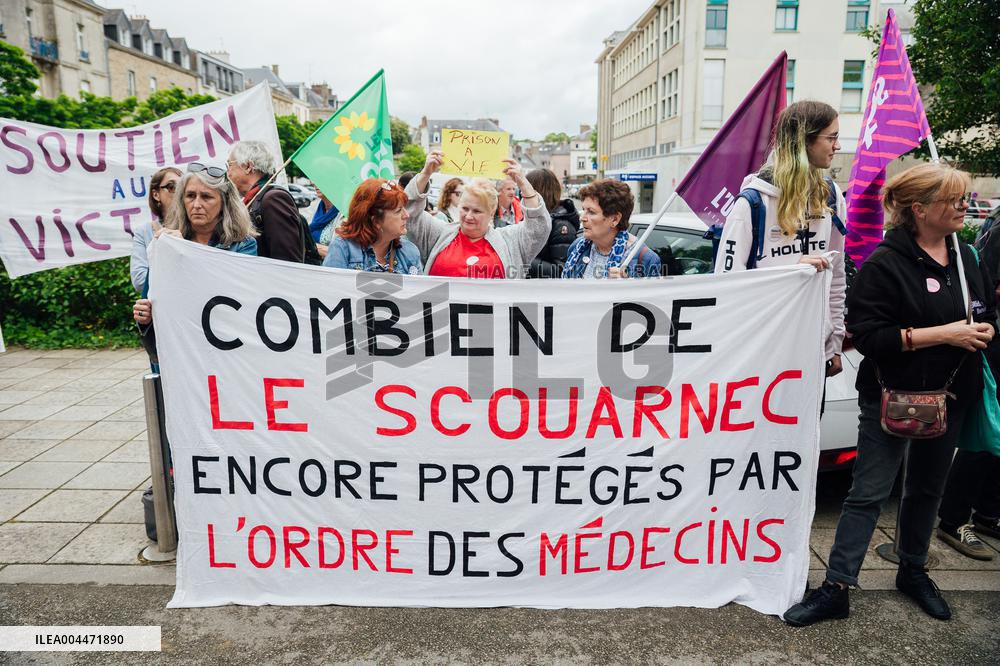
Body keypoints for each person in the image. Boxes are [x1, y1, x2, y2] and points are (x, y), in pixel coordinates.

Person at [783, 162, 997, 627]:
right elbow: (870, 336)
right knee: (869, 493)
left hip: (952, 395)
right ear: (919, 209)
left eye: (964, 198)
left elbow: (985, 310)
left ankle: (913, 571)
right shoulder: (885, 263)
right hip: (891, 396)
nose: (965, 206)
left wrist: (983, 327)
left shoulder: (967, 257)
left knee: (926, 489)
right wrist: (944, 334)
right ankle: (836, 585)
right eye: (953, 199)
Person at [715, 100, 847, 376]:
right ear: (804, 140)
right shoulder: (752, 202)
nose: (838, 146)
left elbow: (836, 275)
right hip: (761, 351)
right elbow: (726, 285)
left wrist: (834, 342)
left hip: (813, 351)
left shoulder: (831, 196)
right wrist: (794, 269)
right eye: (831, 137)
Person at [133, 163, 258, 370]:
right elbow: (150, 299)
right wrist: (144, 317)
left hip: (225, 358)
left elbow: (238, 298)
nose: (197, 204)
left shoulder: (243, 245)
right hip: (180, 359)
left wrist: (185, 253)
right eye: (190, 196)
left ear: (224, 203)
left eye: (206, 197)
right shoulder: (165, 242)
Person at [935, 208, 1000, 561]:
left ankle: (989, 512)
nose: (961, 207)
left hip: (987, 339)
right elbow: (983, 294)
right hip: (987, 350)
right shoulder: (994, 234)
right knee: (985, 430)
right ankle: (954, 518)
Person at [404, 151, 551, 279]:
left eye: (477, 211)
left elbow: (539, 228)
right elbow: (409, 214)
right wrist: (425, 173)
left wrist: (522, 182)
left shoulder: (510, 241)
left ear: (491, 211)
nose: (468, 216)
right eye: (465, 208)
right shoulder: (438, 234)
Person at [561, 179, 661, 278]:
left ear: (615, 219)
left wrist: (628, 286)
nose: (582, 218)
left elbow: (653, 294)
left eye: (591, 212)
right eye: (583, 210)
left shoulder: (645, 259)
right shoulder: (577, 247)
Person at [322, 179, 422, 274]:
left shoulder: (410, 252)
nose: (406, 215)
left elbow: (419, 291)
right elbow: (331, 290)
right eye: (398, 211)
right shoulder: (342, 248)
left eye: (404, 208)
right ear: (376, 221)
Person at [227, 140, 305, 262]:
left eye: (229, 165)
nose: (228, 173)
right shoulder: (255, 199)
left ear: (248, 167)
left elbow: (287, 261)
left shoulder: (273, 199)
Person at [130, 166, 181, 291]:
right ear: (156, 195)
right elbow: (139, 280)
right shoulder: (144, 232)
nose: (180, 192)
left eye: (183, 186)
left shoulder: (198, 225)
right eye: (172, 187)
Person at [527, 169, 581, 278]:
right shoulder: (536, 218)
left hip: (547, 293)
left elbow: (562, 271)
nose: (521, 195)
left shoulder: (561, 226)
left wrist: (525, 262)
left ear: (538, 192)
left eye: (525, 190)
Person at [309, 188, 341, 259]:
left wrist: (309, 245)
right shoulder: (313, 206)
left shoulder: (344, 213)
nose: (314, 183)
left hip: (329, 267)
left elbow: (340, 253)